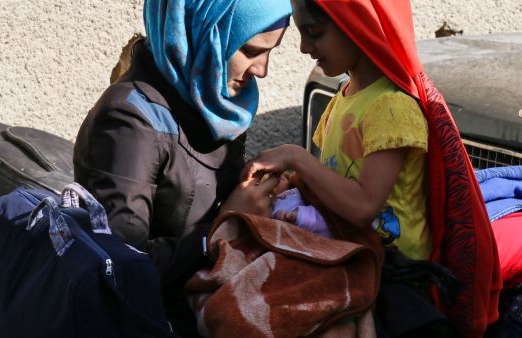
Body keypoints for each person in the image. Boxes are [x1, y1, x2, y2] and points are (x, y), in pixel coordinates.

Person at [243, 1, 500, 337]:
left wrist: (296, 158)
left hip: (392, 277)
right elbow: (332, 178)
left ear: (360, 26)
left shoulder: (391, 107)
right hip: (348, 253)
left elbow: (364, 206)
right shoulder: (343, 98)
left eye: (315, 33)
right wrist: (288, 182)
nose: (305, 48)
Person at [73, 0, 292, 336]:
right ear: (202, 30)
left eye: (270, 52)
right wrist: (222, 228)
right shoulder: (131, 121)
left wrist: (259, 189)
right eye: (249, 50)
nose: (261, 69)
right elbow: (119, 264)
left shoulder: (214, 102)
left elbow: (197, 186)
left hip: (202, 300)